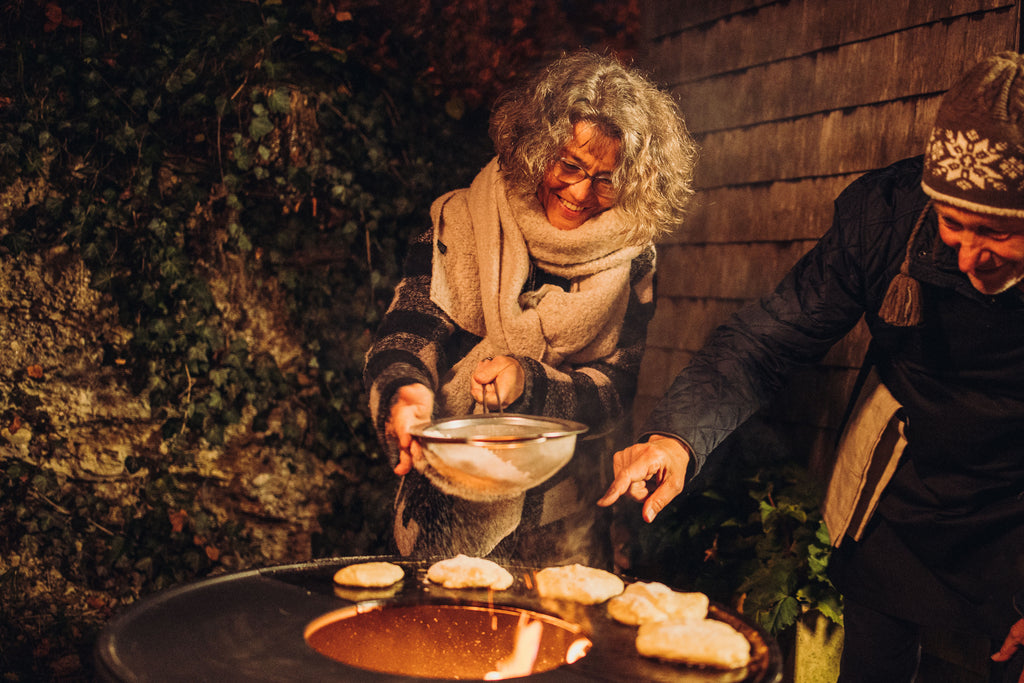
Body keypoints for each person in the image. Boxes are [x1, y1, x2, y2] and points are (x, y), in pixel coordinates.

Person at [598, 51, 1024, 681]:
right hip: (903, 485)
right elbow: (767, 339)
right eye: (954, 226)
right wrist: (677, 437)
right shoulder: (888, 218)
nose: (968, 256)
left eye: (995, 232)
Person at [363, 50, 697, 568]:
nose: (582, 192)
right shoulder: (463, 219)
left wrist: (530, 382)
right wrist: (404, 394)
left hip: (563, 525)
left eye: (607, 179)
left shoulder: (634, 258)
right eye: (571, 166)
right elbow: (406, 333)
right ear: (539, 149)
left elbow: (616, 390)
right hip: (446, 501)